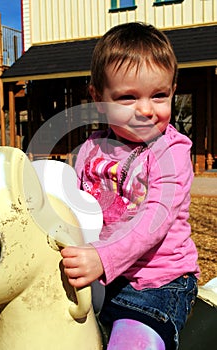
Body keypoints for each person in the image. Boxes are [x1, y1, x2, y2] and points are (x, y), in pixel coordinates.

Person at [61, 22, 199, 350]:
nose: (146, 110)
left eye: (160, 95)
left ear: (173, 91)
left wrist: (102, 257)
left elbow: (154, 221)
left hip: (159, 284)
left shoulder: (171, 152)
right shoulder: (90, 150)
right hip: (100, 277)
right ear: (98, 99)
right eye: (127, 98)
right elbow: (71, 204)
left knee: (131, 345)